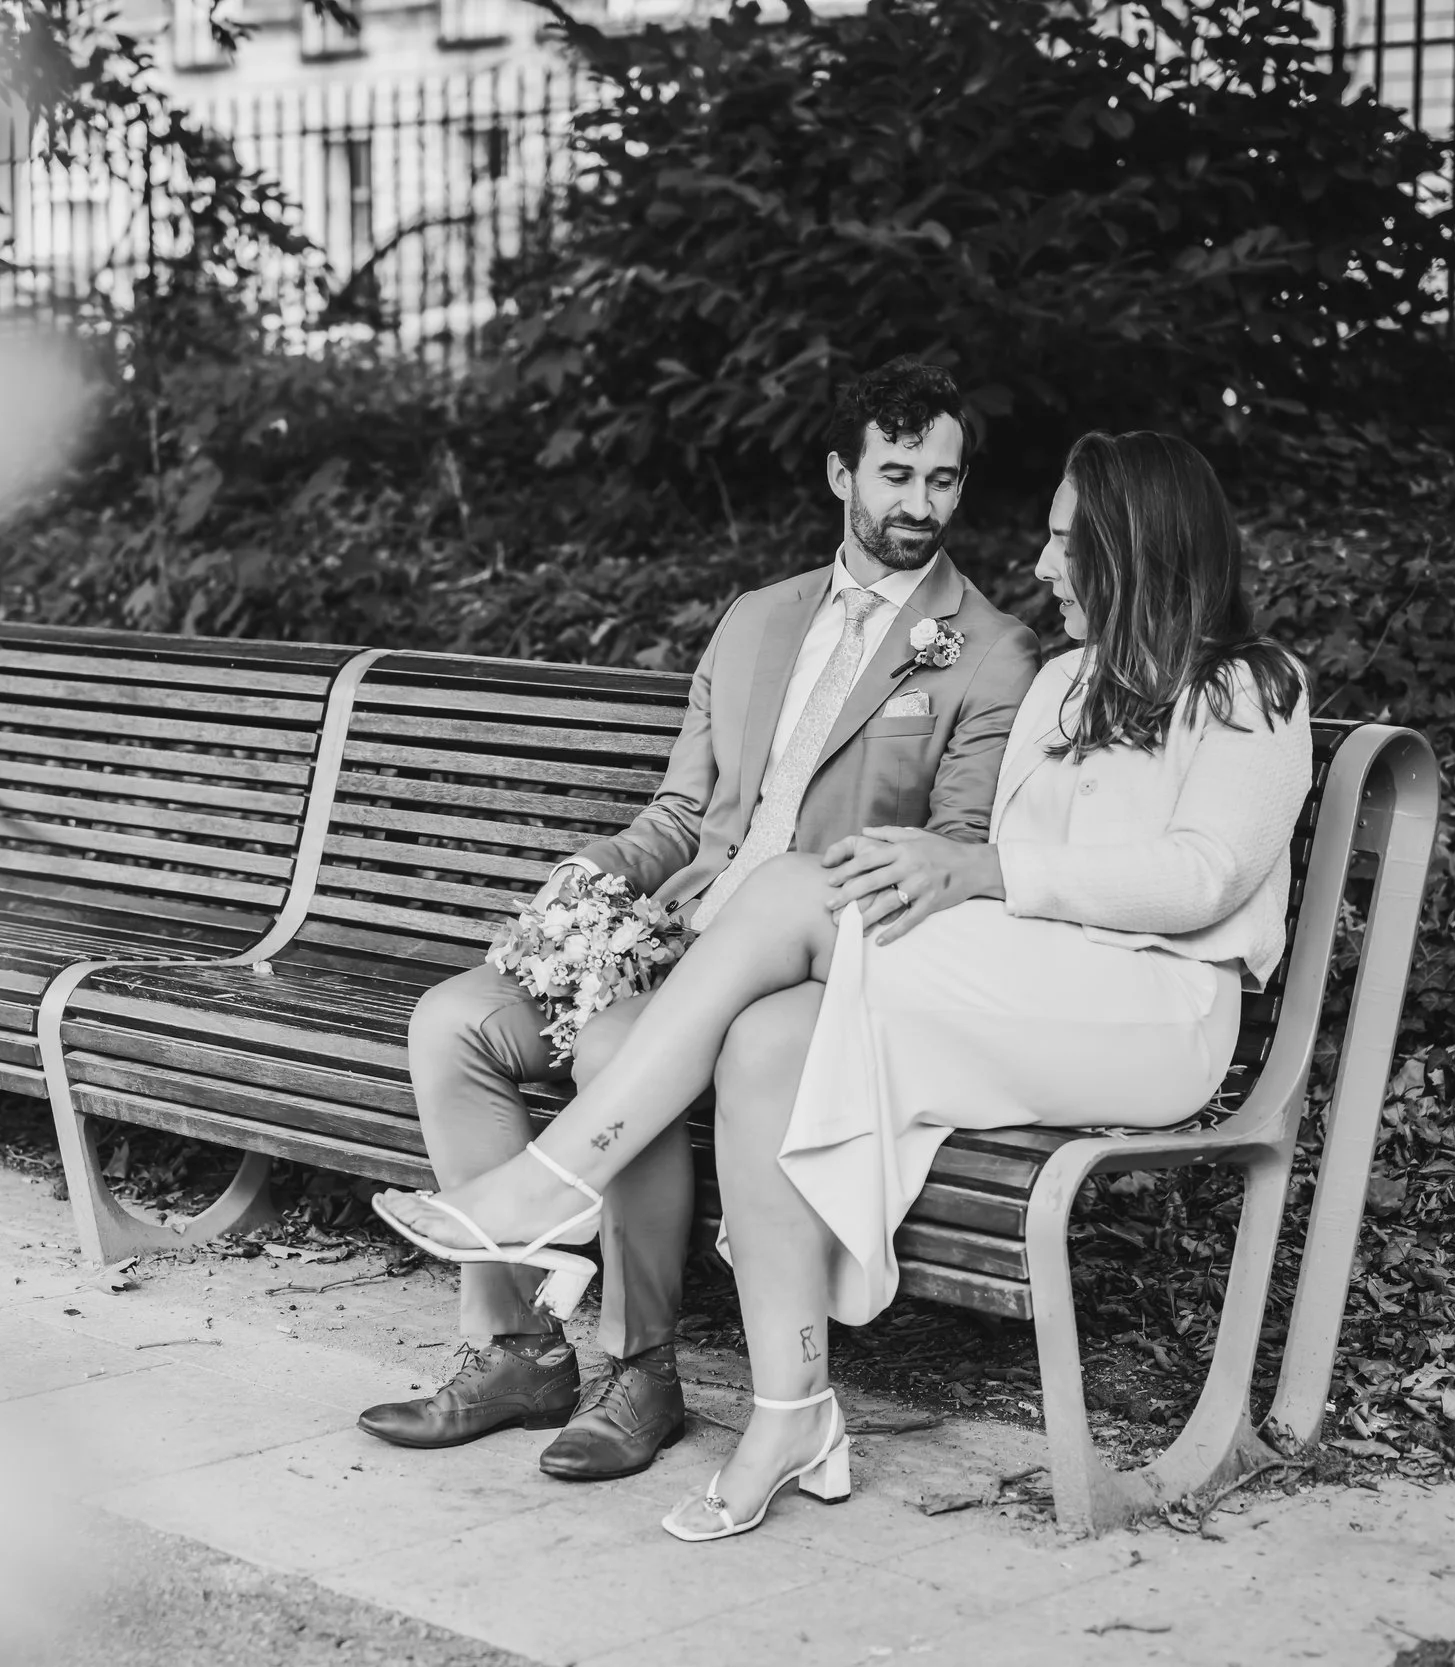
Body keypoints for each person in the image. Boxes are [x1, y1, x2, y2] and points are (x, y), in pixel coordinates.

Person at [374, 429, 1313, 1541]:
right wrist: (940, 880)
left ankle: (559, 1174)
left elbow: (1202, 875)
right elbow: (987, 873)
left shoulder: (1250, 686)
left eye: (1067, 543)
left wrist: (971, 871)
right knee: (768, 1037)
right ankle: (793, 1409)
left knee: (784, 892)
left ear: (1133, 550)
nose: (1045, 565)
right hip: (1023, 982)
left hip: (1153, 1009)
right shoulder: (1069, 681)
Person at [357, 360, 1041, 1483]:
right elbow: (682, 811)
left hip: (808, 968)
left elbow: (947, 858)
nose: (920, 502)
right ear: (840, 473)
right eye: (896, 472)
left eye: (944, 479)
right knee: (455, 1019)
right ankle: (517, 1346)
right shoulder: (756, 619)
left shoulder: (991, 650)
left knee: (627, 1039)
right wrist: (591, 878)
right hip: (673, 935)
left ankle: (642, 1368)